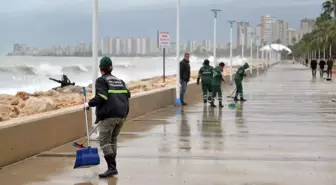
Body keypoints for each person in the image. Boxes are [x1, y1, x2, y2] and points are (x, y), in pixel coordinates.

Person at [83, 56, 131, 178]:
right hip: (122, 115)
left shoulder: (101, 80)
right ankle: (112, 167)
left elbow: (102, 97)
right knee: (112, 140)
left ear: (100, 69)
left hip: (110, 116)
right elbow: (128, 94)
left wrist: (88, 103)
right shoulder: (120, 81)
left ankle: (112, 168)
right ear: (111, 68)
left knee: (104, 140)